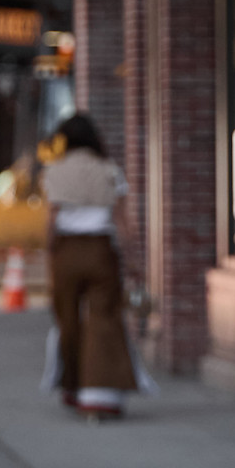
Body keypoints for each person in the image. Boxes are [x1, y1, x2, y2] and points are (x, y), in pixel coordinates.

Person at [41, 112, 149, 419]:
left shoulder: (54, 172)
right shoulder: (109, 171)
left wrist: (50, 256)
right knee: (104, 319)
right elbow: (123, 223)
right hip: (101, 250)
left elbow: (50, 221)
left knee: (68, 320)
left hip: (66, 251)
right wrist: (134, 261)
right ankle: (99, 395)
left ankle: (72, 387)